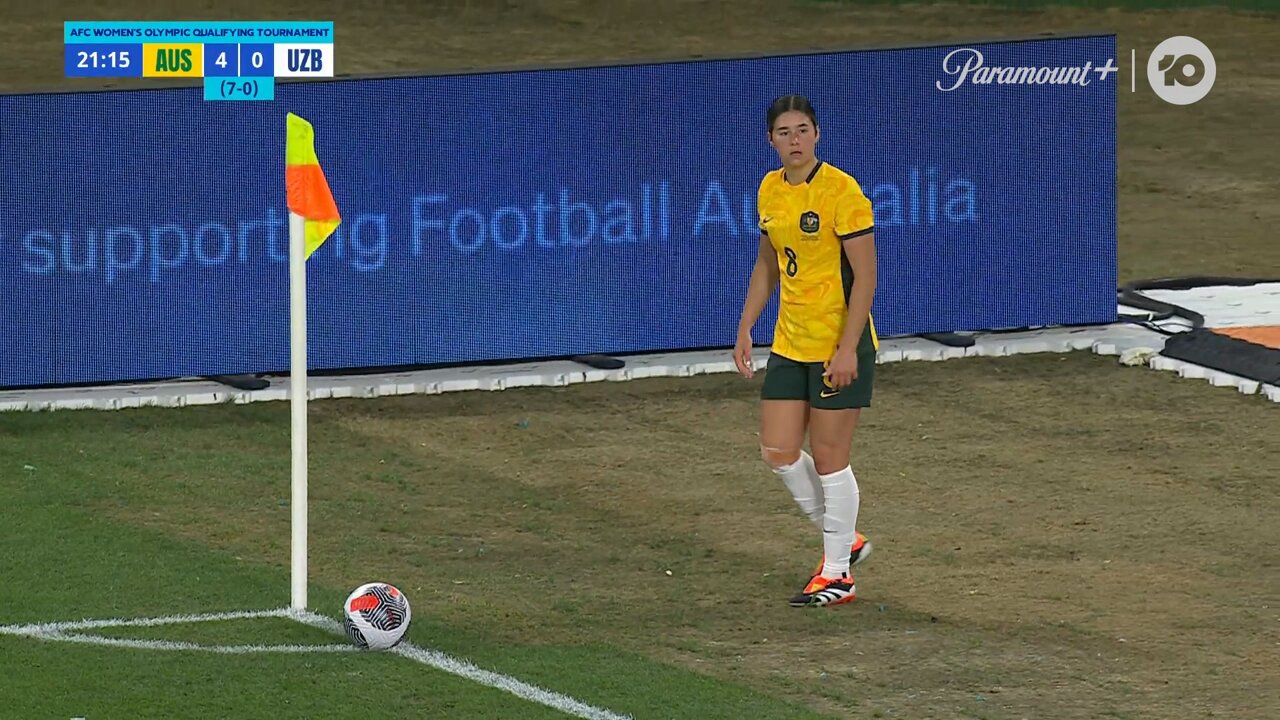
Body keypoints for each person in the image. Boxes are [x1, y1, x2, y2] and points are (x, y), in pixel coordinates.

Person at [733, 94, 879, 608]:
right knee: (777, 451)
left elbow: (865, 276)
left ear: (817, 134)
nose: (794, 140)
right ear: (770, 140)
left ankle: (838, 573)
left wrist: (847, 349)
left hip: (838, 344)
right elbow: (768, 264)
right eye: (784, 132)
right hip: (790, 342)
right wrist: (748, 325)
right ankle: (844, 537)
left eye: (802, 130)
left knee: (830, 459)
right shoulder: (770, 190)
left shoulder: (842, 191)